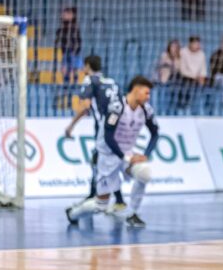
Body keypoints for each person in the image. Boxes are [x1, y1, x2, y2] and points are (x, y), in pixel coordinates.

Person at [66, 76, 159, 227]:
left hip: (126, 153)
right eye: (146, 93)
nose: (148, 97)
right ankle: (73, 213)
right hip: (108, 155)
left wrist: (145, 155)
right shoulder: (117, 107)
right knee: (101, 205)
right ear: (136, 89)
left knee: (144, 173)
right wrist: (126, 158)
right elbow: (109, 137)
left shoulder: (146, 110)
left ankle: (132, 213)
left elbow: (155, 133)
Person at [63, 56, 126, 217]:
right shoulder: (112, 81)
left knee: (100, 162)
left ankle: (102, 198)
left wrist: (70, 126)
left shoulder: (90, 80)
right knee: (104, 162)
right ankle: (116, 200)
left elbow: (85, 108)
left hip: (103, 129)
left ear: (87, 65)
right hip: (119, 125)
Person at [178, 36, 207, 110]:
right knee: (187, 85)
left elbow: (203, 69)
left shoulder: (201, 54)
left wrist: (202, 77)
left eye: (198, 44)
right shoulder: (183, 52)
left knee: (208, 84)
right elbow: (183, 70)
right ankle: (184, 105)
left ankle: (203, 107)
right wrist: (194, 77)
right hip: (186, 77)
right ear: (190, 44)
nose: (197, 46)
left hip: (198, 78)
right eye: (195, 44)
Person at [54, 6, 82, 83]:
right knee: (65, 68)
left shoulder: (74, 26)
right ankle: (66, 84)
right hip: (65, 51)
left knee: (74, 68)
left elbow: (77, 40)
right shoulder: (62, 26)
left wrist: (76, 50)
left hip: (73, 51)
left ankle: (74, 83)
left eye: (66, 14)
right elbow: (58, 36)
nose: (63, 15)